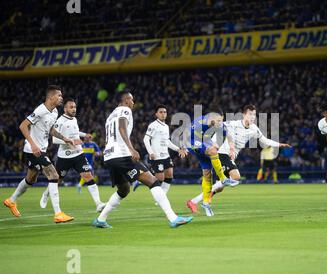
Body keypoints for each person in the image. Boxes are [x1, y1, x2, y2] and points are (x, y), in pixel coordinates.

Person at [92, 91, 193, 228]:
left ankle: (101, 219)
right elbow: (122, 128)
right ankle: (173, 218)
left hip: (109, 156)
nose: (133, 103)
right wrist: (131, 148)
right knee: (153, 182)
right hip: (122, 155)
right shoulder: (125, 110)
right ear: (126, 100)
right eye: (132, 100)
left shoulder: (110, 116)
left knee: (123, 190)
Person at [187, 105, 290, 216]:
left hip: (230, 156)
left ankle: (194, 201)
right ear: (244, 114)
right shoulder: (234, 124)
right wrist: (212, 143)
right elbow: (218, 126)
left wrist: (279, 144)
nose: (252, 117)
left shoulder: (254, 129)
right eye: (250, 114)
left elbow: (264, 140)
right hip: (222, 152)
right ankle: (204, 198)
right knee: (236, 177)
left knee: (220, 187)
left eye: (254, 114)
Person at [3, 85, 75, 223]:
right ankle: (58, 213)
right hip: (33, 150)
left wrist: (63, 137)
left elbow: (50, 129)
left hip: (39, 149)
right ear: (50, 97)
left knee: (31, 179)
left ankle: (11, 200)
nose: (61, 97)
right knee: (54, 175)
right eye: (59, 95)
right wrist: (33, 144)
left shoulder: (54, 112)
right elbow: (23, 125)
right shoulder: (40, 110)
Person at [39, 98, 105, 212]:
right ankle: (46, 194)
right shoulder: (60, 121)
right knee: (57, 181)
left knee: (88, 176)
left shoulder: (74, 119)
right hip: (65, 156)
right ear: (65, 109)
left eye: (75, 107)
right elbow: (55, 139)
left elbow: (75, 133)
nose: (74, 109)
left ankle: (98, 203)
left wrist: (84, 135)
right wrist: (71, 141)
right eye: (71, 107)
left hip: (78, 154)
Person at [186, 107, 240, 216]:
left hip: (204, 143)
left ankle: (206, 204)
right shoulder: (199, 123)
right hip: (192, 142)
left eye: (222, 120)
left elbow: (224, 135)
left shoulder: (221, 127)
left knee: (207, 174)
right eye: (218, 120)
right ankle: (223, 179)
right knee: (213, 152)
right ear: (211, 118)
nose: (220, 123)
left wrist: (218, 145)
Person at [132, 104, 187, 192]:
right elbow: (146, 139)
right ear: (156, 114)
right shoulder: (153, 125)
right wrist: (151, 152)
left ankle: (162, 196)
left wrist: (178, 149)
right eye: (161, 112)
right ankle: (140, 181)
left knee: (169, 175)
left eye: (165, 112)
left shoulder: (166, 127)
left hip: (166, 156)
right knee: (159, 180)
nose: (163, 114)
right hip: (157, 156)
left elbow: (167, 142)